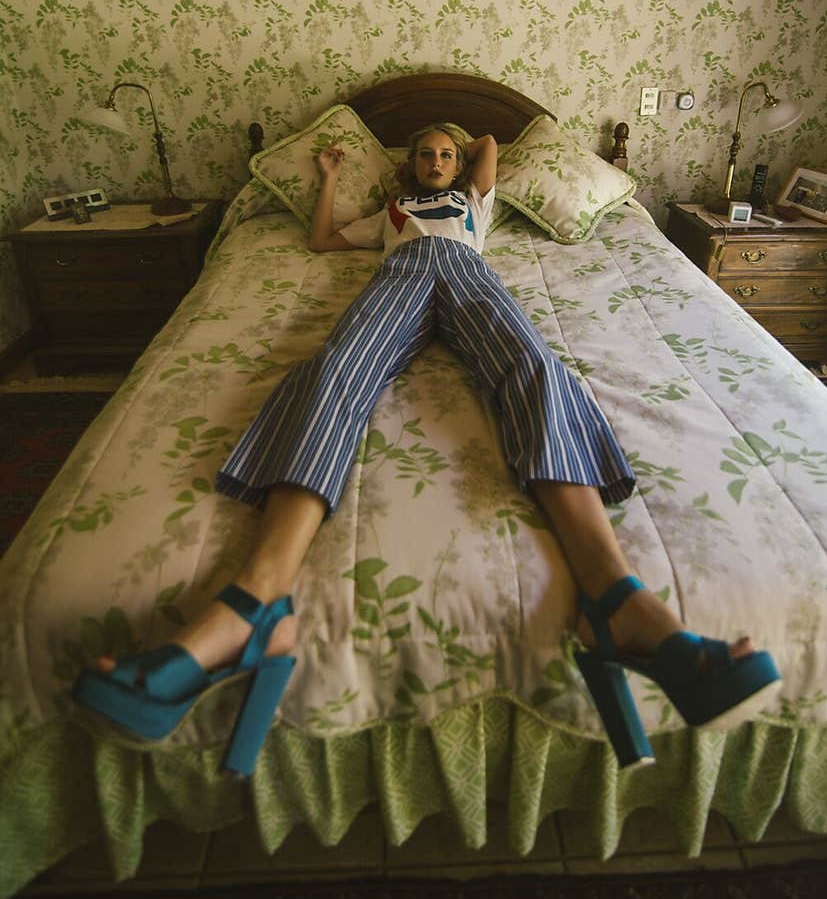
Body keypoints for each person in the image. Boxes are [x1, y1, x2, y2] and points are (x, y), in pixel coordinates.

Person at [75, 123, 781, 775]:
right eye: (424, 154)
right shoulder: (389, 215)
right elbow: (320, 242)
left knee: (536, 368)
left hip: (471, 274)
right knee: (332, 371)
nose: (438, 161)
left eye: (447, 154)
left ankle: (615, 597)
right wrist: (328, 175)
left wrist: (468, 136)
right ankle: (259, 600)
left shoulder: (477, 202)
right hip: (401, 273)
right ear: (405, 168)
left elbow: (494, 142)